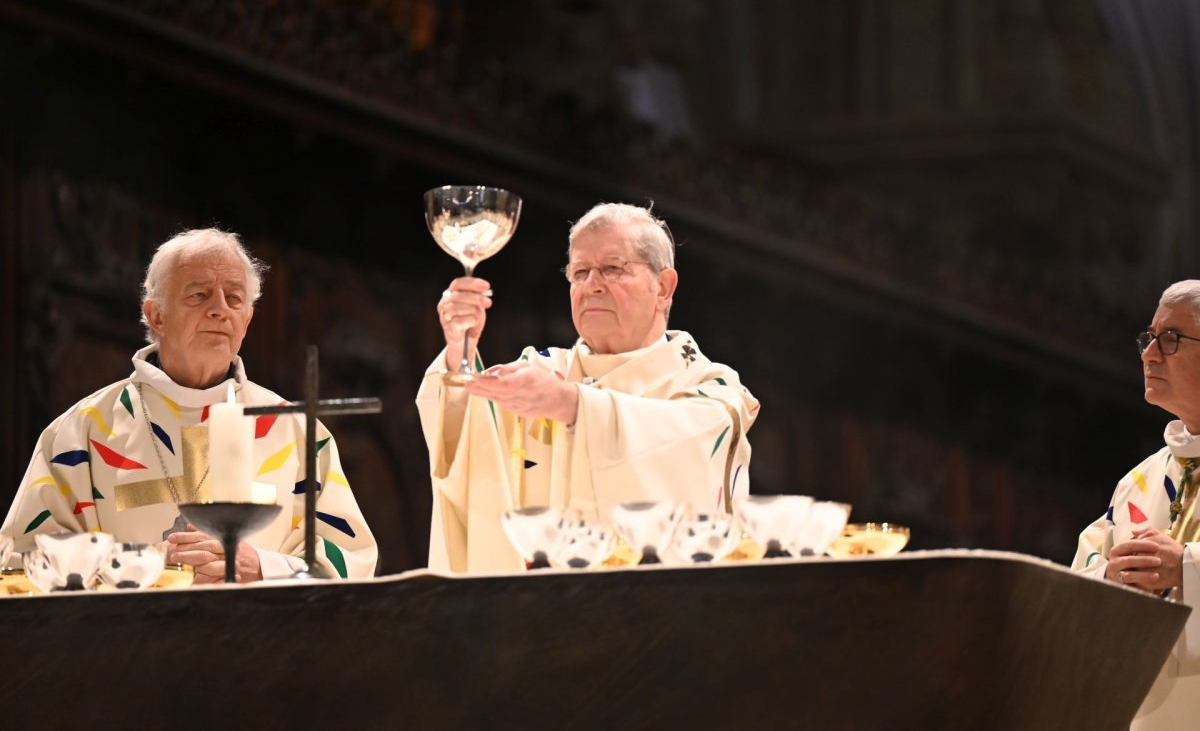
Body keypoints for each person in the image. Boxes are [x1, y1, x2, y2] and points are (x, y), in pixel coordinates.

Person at [1, 228, 377, 583]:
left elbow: (351, 559)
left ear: (246, 320)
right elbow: (24, 561)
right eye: (199, 295)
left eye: (234, 298)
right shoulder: (80, 433)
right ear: (156, 315)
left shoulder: (295, 431)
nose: (220, 310)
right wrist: (142, 571)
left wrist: (262, 566)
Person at [416, 203, 759, 573]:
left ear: (663, 287)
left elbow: (690, 447)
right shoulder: (543, 371)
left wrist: (575, 406)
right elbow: (467, 447)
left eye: (613, 268)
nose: (592, 285)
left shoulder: (711, 387)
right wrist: (459, 352)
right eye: (580, 272)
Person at [1072, 280, 1200, 728]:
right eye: (1150, 338)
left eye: (1171, 339)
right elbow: (1076, 588)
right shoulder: (1139, 482)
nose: (1148, 354)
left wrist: (1186, 566)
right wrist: (1112, 576)